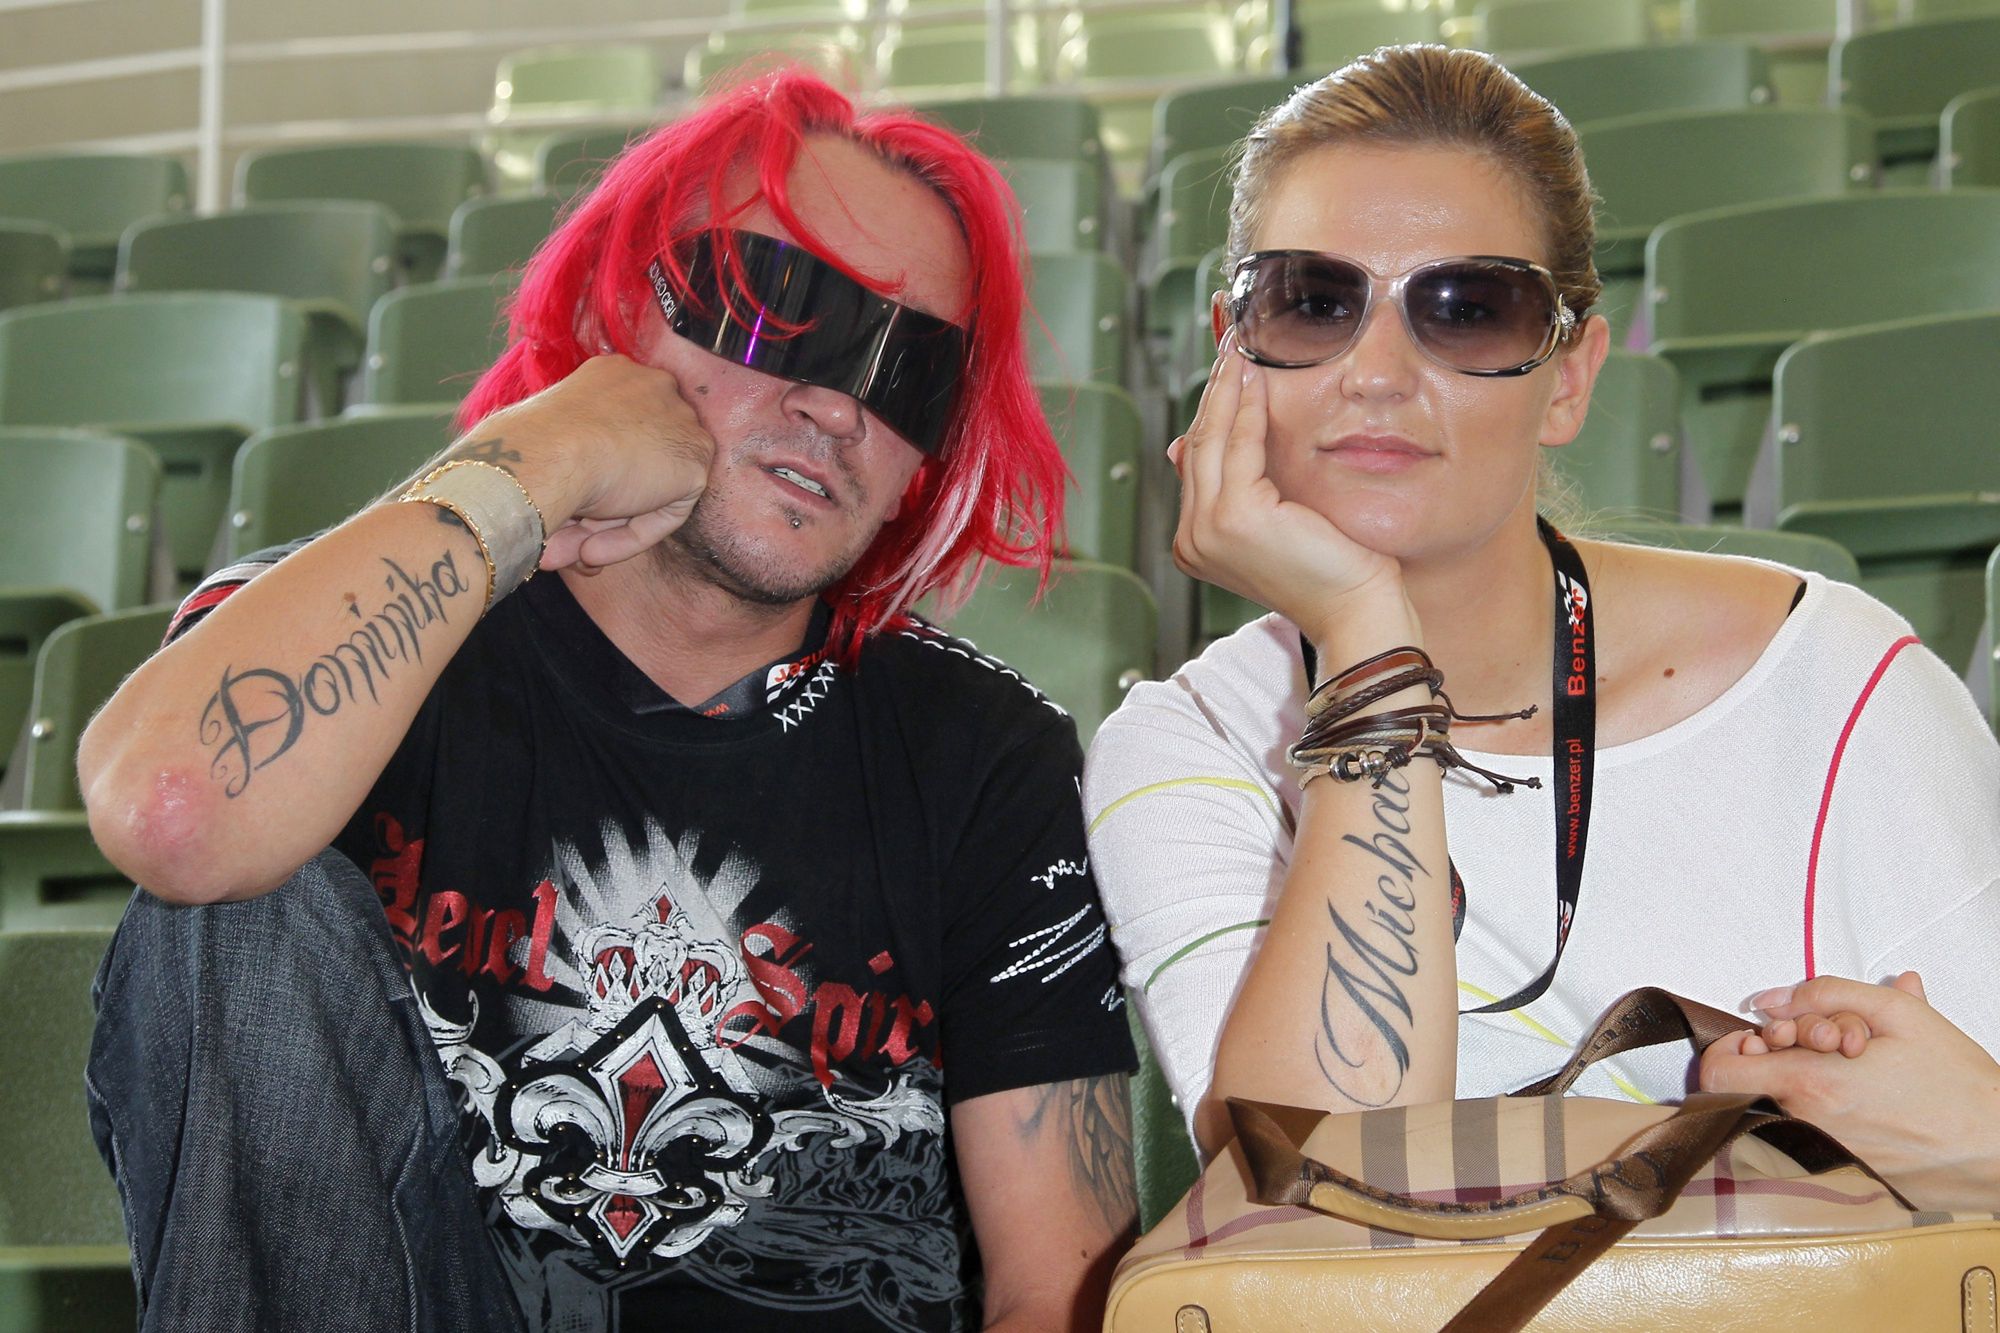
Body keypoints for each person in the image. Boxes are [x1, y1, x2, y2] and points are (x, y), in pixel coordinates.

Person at [79, 67, 1137, 1333]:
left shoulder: (986, 754)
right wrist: (535, 460)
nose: (834, 404)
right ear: (615, 313)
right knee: (243, 892)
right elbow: (178, 811)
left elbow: (1059, 1289)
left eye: (908, 370)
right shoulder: (356, 633)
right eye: (775, 304)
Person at [1082, 45, 2000, 1211]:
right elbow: (1322, 1187)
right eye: (1312, 302)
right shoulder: (1188, 745)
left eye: (1468, 310)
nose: (1375, 371)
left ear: (1566, 378)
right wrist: (1366, 644)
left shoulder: (1838, 682)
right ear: (1232, 351)